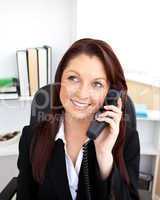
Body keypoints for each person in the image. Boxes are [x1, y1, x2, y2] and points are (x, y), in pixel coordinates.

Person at [16, 38, 140, 200]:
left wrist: (105, 157)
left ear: (111, 93)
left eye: (97, 84)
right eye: (73, 78)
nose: (82, 94)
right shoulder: (31, 137)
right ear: (60, 80)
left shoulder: (127, 140)